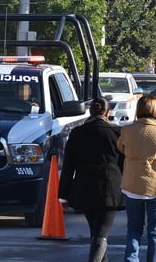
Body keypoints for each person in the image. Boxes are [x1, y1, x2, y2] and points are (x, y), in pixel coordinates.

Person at [59, 97, 124, 262]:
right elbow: (125, 164)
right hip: (110, 188)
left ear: (90, 111)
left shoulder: (77, 132)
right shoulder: (117, 133)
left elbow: (68, 167)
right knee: (101, 233)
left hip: (84, 187)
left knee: (96, 232)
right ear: (107, 112)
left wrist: (63, 195)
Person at [117, 95, 156, 262]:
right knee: (154, 232)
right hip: (155, 188)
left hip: (131, 186)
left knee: (133, 229)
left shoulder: (126, 130)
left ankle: (131, 259)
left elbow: (121, 148)